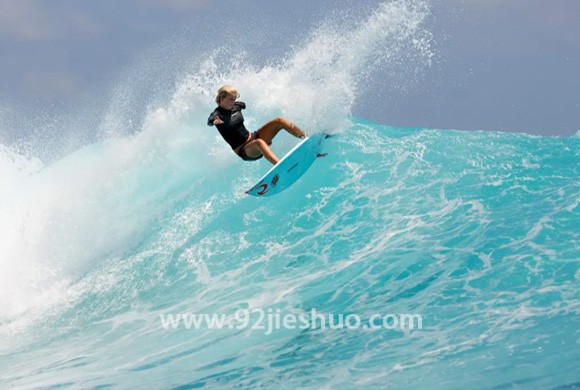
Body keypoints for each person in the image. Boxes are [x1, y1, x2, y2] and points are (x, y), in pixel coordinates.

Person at [207, 85, 306, 164]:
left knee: (279, 121)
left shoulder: (236, 106)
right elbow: (210, 121)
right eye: (231, 99)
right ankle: (281, 166)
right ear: (221, 97)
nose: (233, 102)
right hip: (244, 150)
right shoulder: (217, 115)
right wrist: (216, 121)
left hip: (254, 136)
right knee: (259, 142)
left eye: (234, 99)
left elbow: (243, 104)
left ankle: (305, 137)